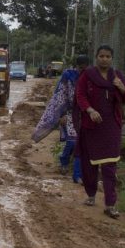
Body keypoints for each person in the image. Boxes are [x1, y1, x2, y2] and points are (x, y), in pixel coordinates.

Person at [74, 44, 125, 219]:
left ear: (112, 58)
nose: (104, 59)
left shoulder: (117, 76)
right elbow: (80, 96)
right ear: (96, 57)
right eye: (101, 56)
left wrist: (121, 87)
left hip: (111, 126)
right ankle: (91, 195)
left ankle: (110, 204)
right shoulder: (88, 75)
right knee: (90, 163)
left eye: (108, 56)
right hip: (91, 126)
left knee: (110, 165)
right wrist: (90, 110)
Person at [32, 55, 90, 183]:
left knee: (82, 145)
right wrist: (61, 114)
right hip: (69, 113)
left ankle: (77, 175)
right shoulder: (68, 77)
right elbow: (60, 97)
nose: (83, 71)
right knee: (72, 142)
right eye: (81, 68)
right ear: (76, 66)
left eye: (85, 68)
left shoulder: (91, 78)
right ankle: (64, 161)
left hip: (85, 114)